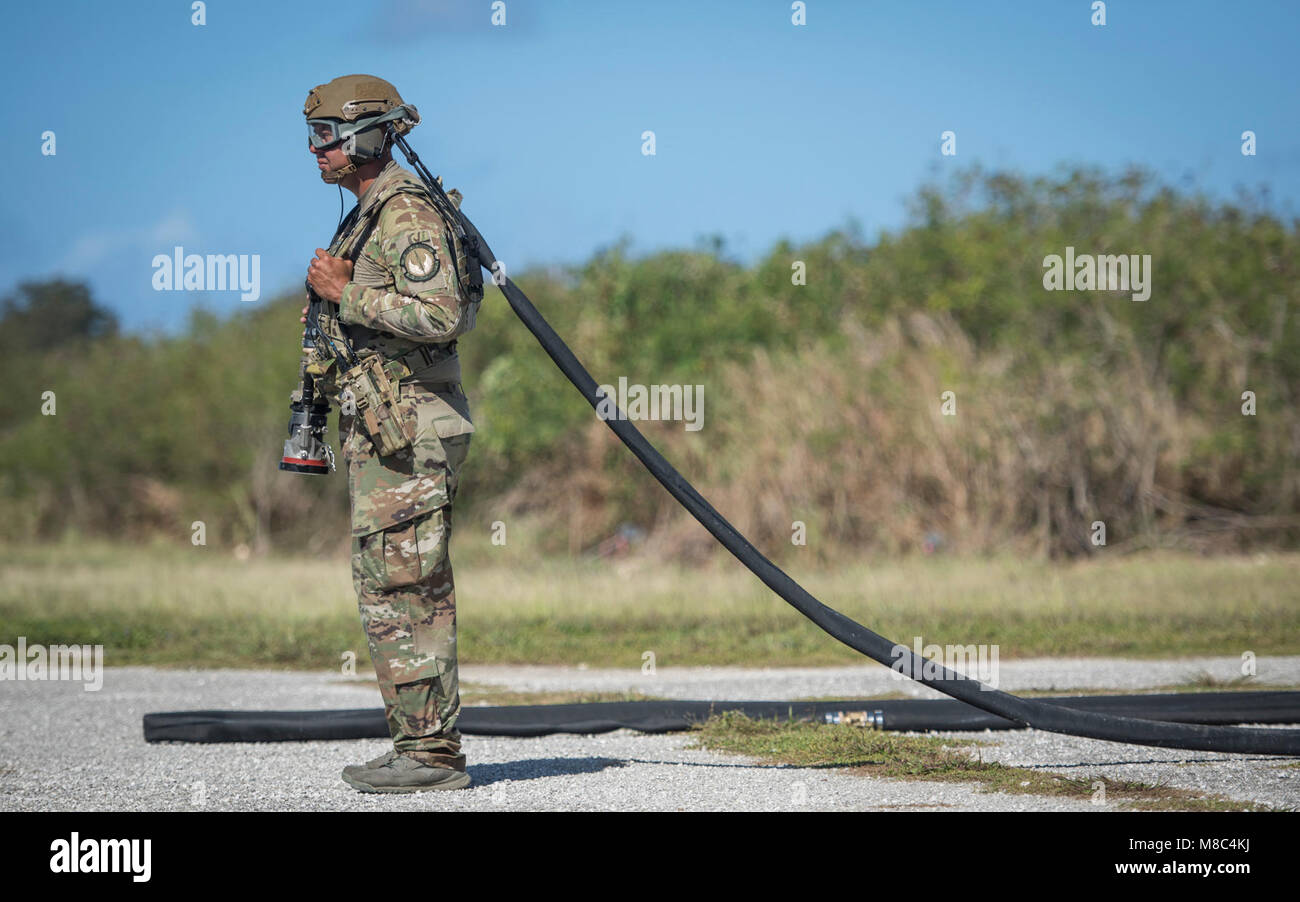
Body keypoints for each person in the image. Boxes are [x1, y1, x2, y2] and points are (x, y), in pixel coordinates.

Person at [300, 74, 481, 792]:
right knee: (390, 584)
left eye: (325, 137)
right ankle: (418, 743)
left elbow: (441, 316)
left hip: (410, 431)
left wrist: (347, 294)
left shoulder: (404, 213)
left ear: (365, 136)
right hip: (386, 430)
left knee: (408, 586)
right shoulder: (371, 213)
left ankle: (432, 755)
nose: (315, 151)